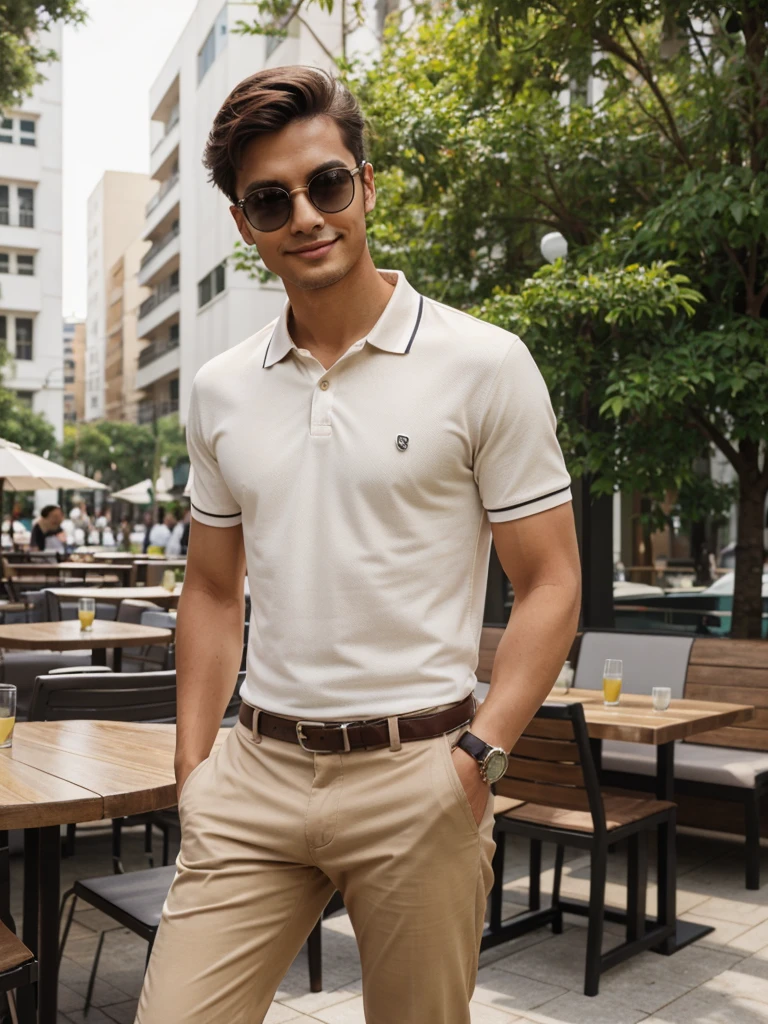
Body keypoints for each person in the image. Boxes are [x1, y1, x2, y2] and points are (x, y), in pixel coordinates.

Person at [135, 67, 581, 1024]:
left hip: (420, 772)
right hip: (253, 774)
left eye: (326, 184)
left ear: (366, 185)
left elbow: (550, 583)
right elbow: (212, 592)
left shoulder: (484, 363)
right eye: (270, 200)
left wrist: (479, 760)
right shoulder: (218, 390)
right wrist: (193, 773)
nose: (305, 214)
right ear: (244, 222)